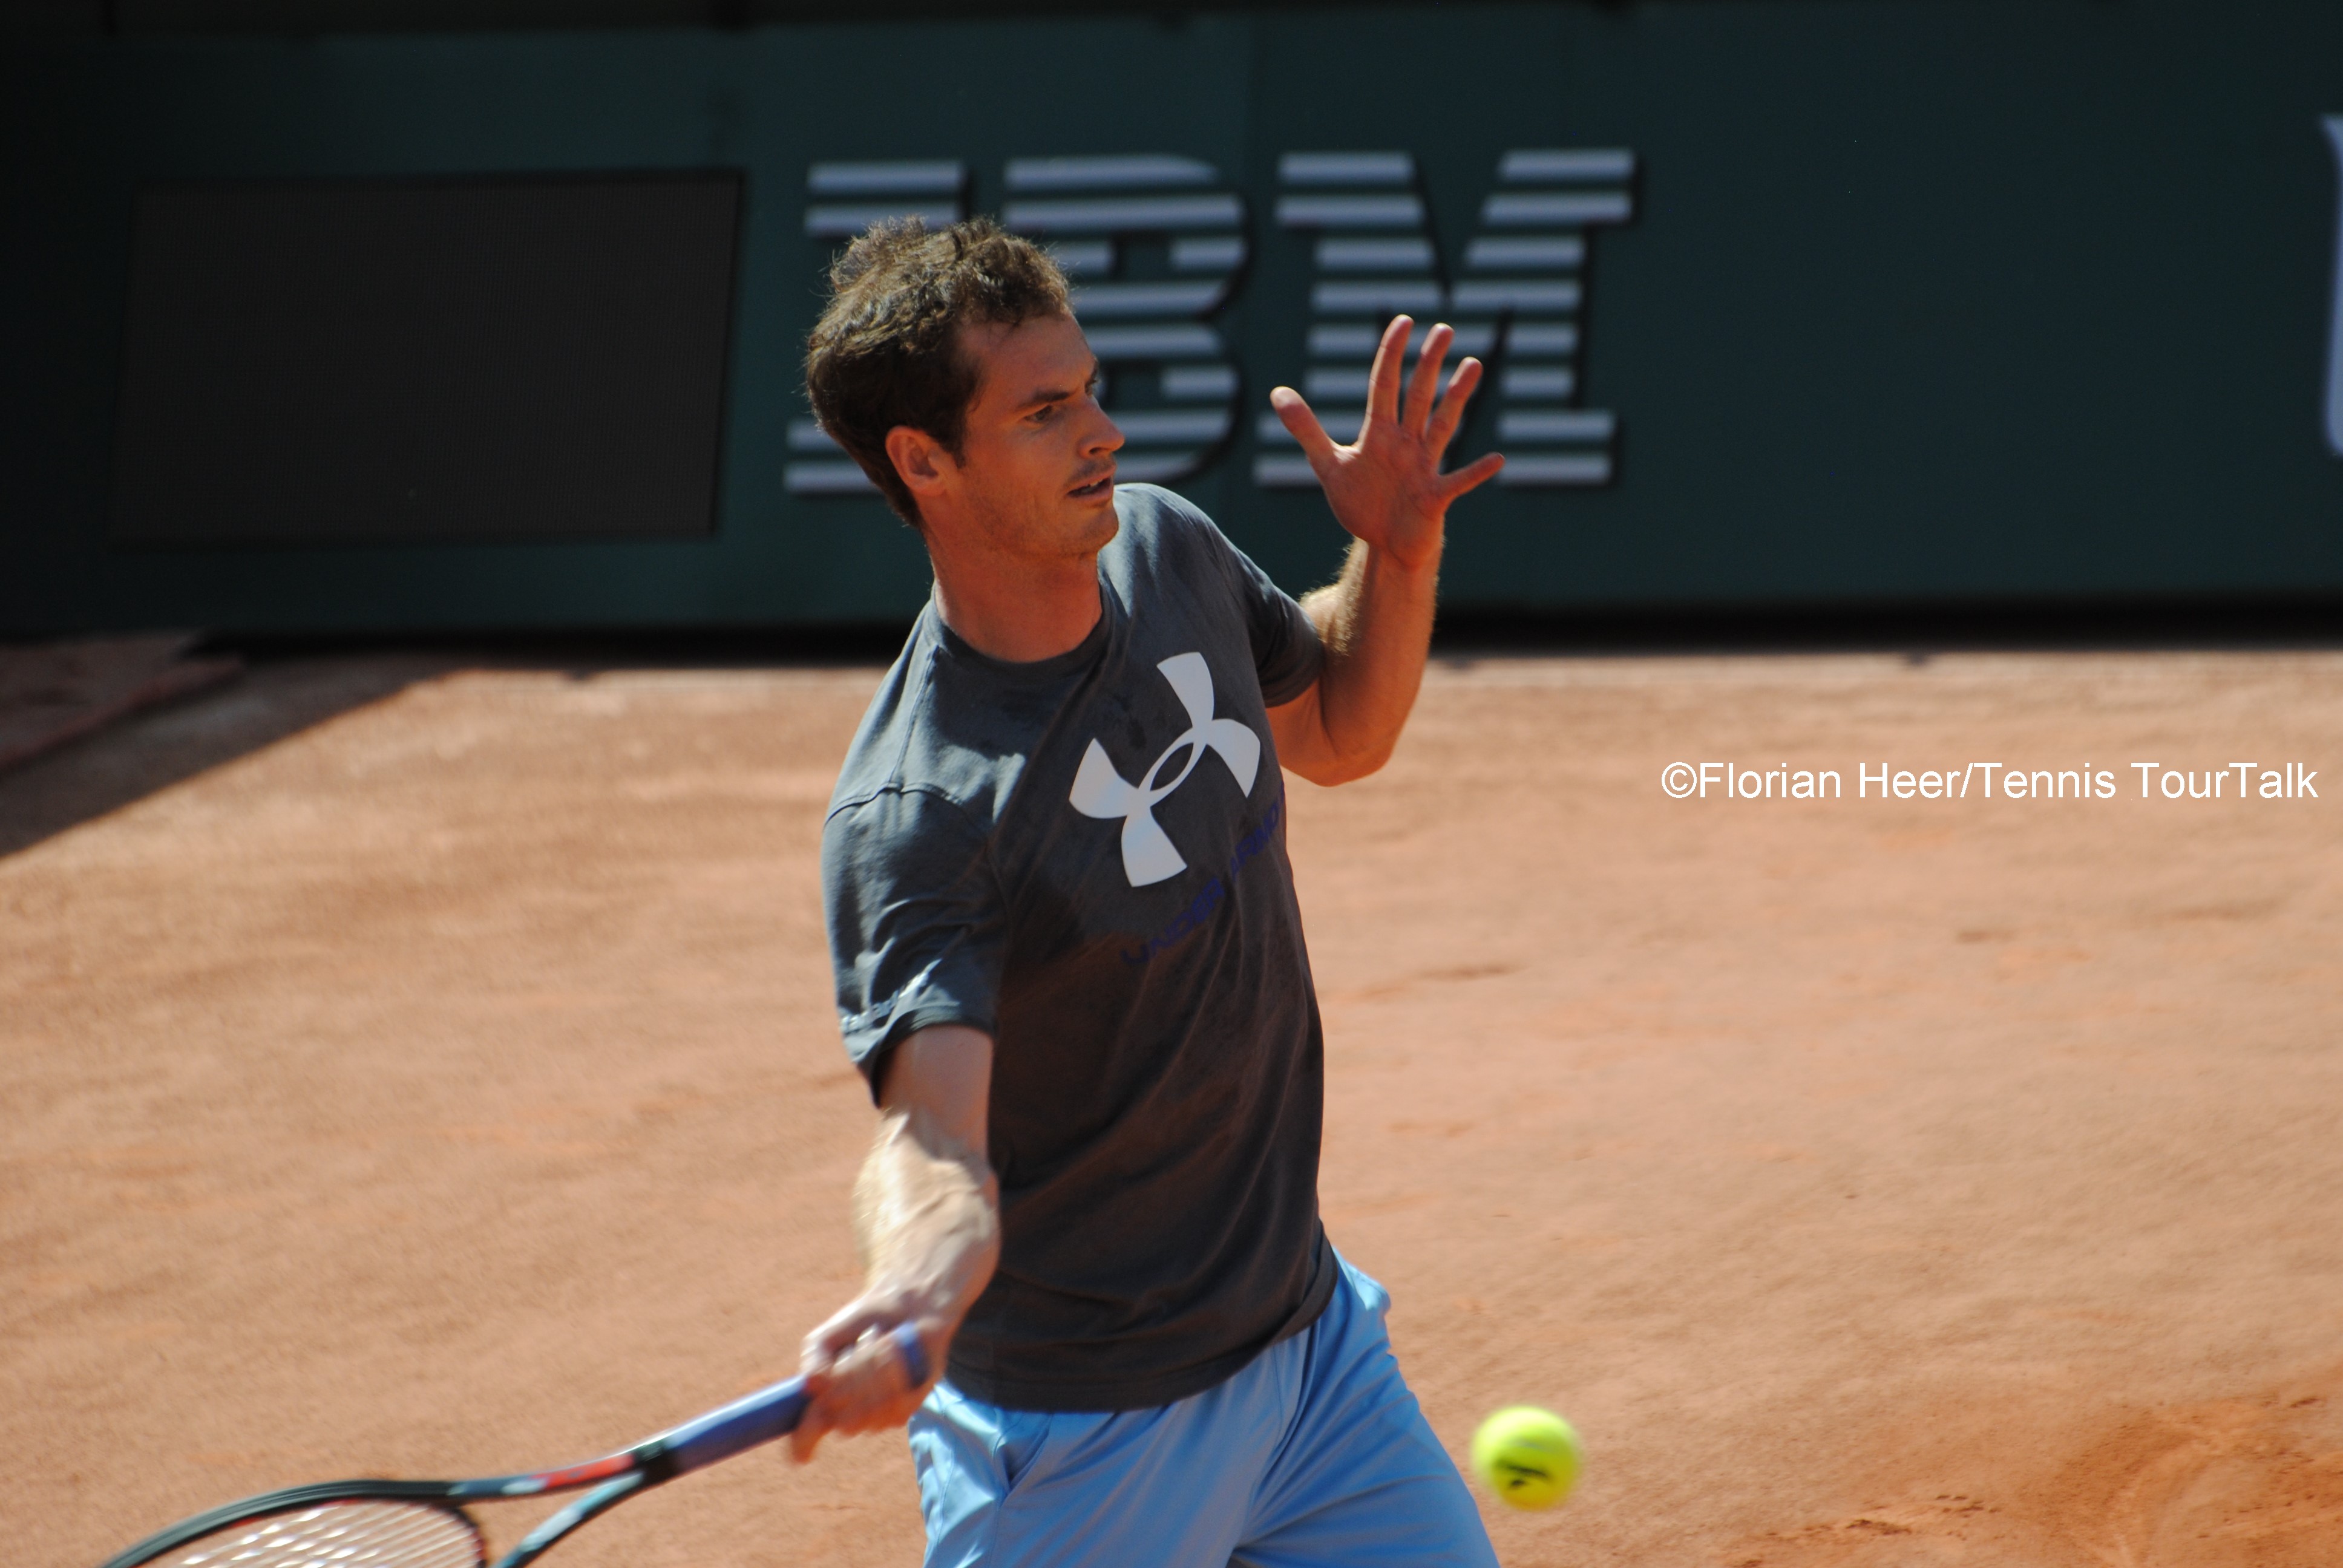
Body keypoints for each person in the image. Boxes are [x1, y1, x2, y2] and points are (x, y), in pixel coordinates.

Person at [789, 215, 1505, 1567]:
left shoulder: (1165, 549)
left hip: (1310, 1357)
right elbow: (933, 1137)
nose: (1103, 434)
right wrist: (915, 1291)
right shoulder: (926, 813)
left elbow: (1339, 729)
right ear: (924, 461)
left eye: (1090, 391)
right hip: (1086, 1437)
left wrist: (1400, 553)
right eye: (1045, 413)